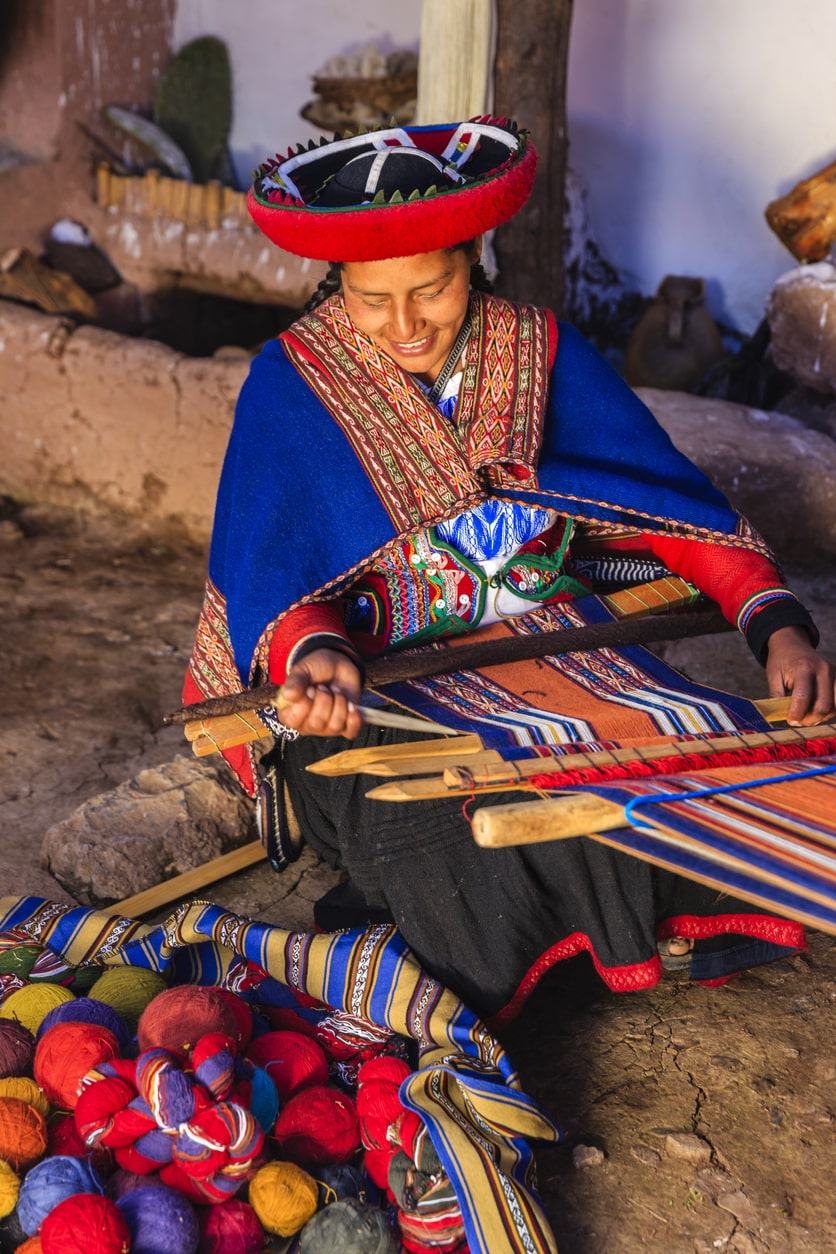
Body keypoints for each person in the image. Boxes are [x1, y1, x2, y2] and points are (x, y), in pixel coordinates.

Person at [185, 119, 836, 1019]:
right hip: (378, 678)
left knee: (698, 743)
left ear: (474, 258)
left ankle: (652, 925)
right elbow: (278, 573)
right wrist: (317, 658)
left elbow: (667, 506)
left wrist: (779, 625)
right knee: (431, 822)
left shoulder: (539, 352)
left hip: (551, 639)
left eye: (434, 288)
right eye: (373, 300)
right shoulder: (292, 384)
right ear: (336, 281)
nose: (405, 324)